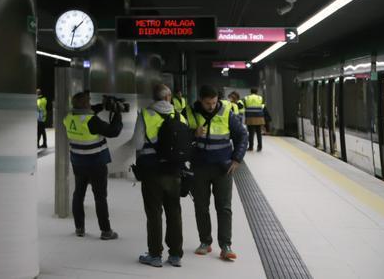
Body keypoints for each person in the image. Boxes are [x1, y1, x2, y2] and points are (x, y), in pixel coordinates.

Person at [185, 85, 247, 261]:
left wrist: (237, 159)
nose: (211, 106)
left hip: (223, 168)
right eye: (207, 103)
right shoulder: (189, 112)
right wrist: (192, 133)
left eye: (214, 102)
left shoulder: (226, 111)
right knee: (201, 206)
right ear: (200, 100)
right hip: (199, 167)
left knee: (224, 207)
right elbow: (179, 135)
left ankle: (226, 245)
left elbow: (242, 135)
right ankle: (205, 242)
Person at [135, 83, 189, 267]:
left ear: (154, 97)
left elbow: (137, 144)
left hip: (151, 172)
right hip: (174, 171)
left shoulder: (145, 115)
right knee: (174, 212)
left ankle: (155, 255)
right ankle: (175, 255)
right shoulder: (180, 116)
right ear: (168, 97)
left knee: (154, 213)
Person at [63, 91, 123, 240]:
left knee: (79, 194)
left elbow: (86, 113)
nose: (90, 103)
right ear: (85, 104)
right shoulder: (92, 121)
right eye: (88, 101)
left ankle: (79, 228)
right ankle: (106, 231)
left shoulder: (69, 118)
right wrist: (118, 113)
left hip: (78, 162)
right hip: (96, 163)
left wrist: (102, 106)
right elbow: (114, 131)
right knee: (100, 197)